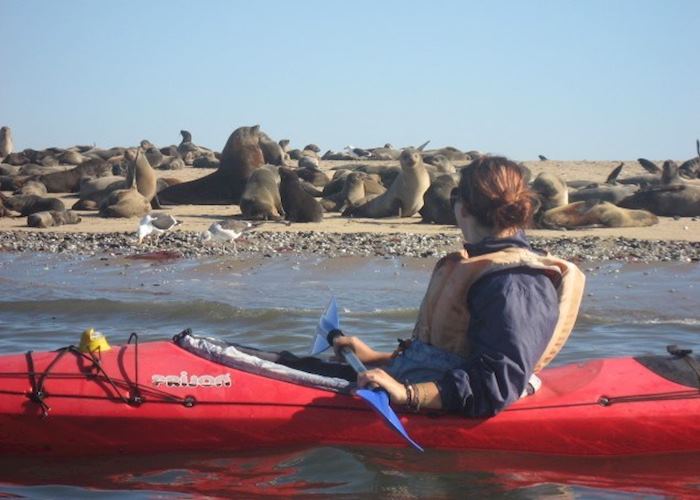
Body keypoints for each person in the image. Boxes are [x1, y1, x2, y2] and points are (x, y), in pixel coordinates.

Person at [333, 156, 585, 417]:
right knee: (289, 365)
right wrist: (377, 358)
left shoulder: (515, 283)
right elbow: (450, 353)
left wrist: (408, 394)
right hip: (423, 378)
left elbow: (497, 384)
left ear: (462, 208)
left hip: (445, 400)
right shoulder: (487, 268)